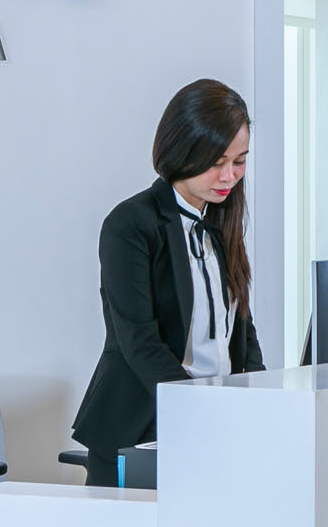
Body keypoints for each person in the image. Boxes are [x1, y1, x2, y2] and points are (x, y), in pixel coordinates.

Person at [71, 79, 266, 486]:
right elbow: (139, 341)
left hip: (213, 424)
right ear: (182, 151)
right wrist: (198, 408)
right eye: (217, 162)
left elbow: (240, 326)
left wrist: (260, 392)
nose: (229, 176)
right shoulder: (130, 224)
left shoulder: (221, 218)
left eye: (240, 161)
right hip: (142, 425)